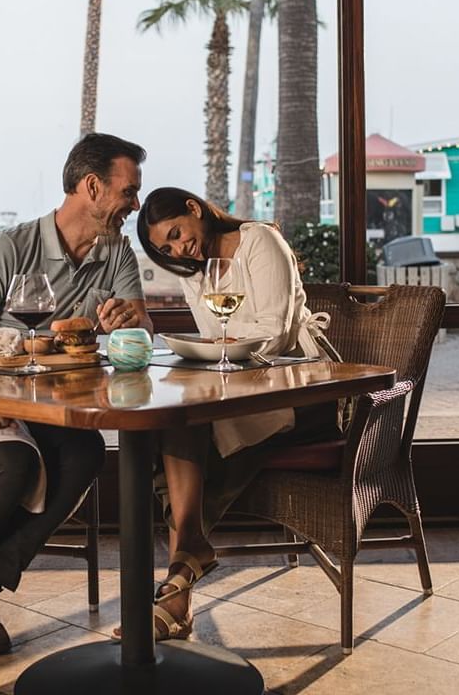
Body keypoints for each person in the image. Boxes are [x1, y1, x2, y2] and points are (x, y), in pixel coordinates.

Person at [0, 132, 153, 671]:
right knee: (13, 460)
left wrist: (133, 322)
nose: (135, 204)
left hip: (51, 410)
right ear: (92, 187)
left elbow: (143, 327)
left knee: (86, 452)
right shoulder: (8, 248)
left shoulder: (116, 251)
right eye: (130, 190)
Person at [132, 186, 339, 641]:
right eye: (166, 249)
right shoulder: (193, 271)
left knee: (183, 440)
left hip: (303, 389)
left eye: (177, 234)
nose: (179, 249)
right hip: (242, 389)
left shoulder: (259, 241)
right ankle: (185, 569)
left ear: (194, 208)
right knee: (177, 422)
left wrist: (221, 347)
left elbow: (277, 334)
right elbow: (219, 344)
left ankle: (180, 581)